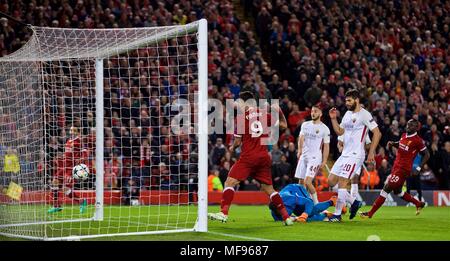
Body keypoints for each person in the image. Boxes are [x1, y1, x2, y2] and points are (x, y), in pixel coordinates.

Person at [208, 91, 293, 226]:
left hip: (249, 157)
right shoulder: (266, 115)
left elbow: (237, 141)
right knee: (269, 189)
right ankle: (286, 217)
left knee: (229, 182)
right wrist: (280, 112)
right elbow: (283, 126)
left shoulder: (241, 118)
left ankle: (223, 213)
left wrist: (231, 147)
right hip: (264, 156)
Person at [327, 89, 382, 222]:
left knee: (342, 182)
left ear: (356, 100)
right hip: (345, 154)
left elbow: (377, 133)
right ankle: (354, 201)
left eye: (349, 100)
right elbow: (340, 132)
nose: (346, 103)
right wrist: (333, 119)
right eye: (346, 100)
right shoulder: (346, 114)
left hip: (356, 154)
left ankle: (337, 214)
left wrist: (371, 152)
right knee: (331, 181)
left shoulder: (364, 114)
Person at [360, 119, 430, 218]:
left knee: (386, 188)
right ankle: (418, 203)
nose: (408, 126)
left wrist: (418, 168)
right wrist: (393, 144)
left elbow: (427, 154)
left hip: (403, 169)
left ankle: (370, 213)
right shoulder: (404, 135)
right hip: (396, 166)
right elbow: (401, 144)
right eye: (408, 124)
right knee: (398, 191)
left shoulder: (417, 141)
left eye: (411, 125)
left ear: (416, 128)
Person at [294, 103, 330, 204]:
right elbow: (301, 138)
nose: (313, 113)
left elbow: (326, 146)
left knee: (307, 181)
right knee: (301, 183)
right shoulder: (305, 124)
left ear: (321, 113)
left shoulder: (324, 128)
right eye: (312, 111)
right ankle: (303, 204)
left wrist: (325, 160)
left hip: (315, 157)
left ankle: (316, 203)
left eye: (315, 111)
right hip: (304, 156)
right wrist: (300, 150)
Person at [48, 126, 87, 214]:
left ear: (77, 132)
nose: (71, 132)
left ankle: (81, 201)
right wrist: (61, 157)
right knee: (54, 182)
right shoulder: (68, 141)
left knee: (66, 188)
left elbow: (85, 151)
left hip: (71, 168)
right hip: (63, 167)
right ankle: (56, 206)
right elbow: (67, 154)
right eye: (70, 130)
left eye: (73, 130)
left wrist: (82, 158)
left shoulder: (78, 141)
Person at [269, 183, 344, 222]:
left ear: (281, 205)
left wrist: (305, 214)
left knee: (309, 212)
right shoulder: (275, 214)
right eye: (278, 212)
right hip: (293, 199)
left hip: (297, 190)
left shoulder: (289, 199)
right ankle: (324, 214)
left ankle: (332, 201)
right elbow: (286, 219)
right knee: (301, 217)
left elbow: (309, 202)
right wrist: (295, 218)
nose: (282, 213)